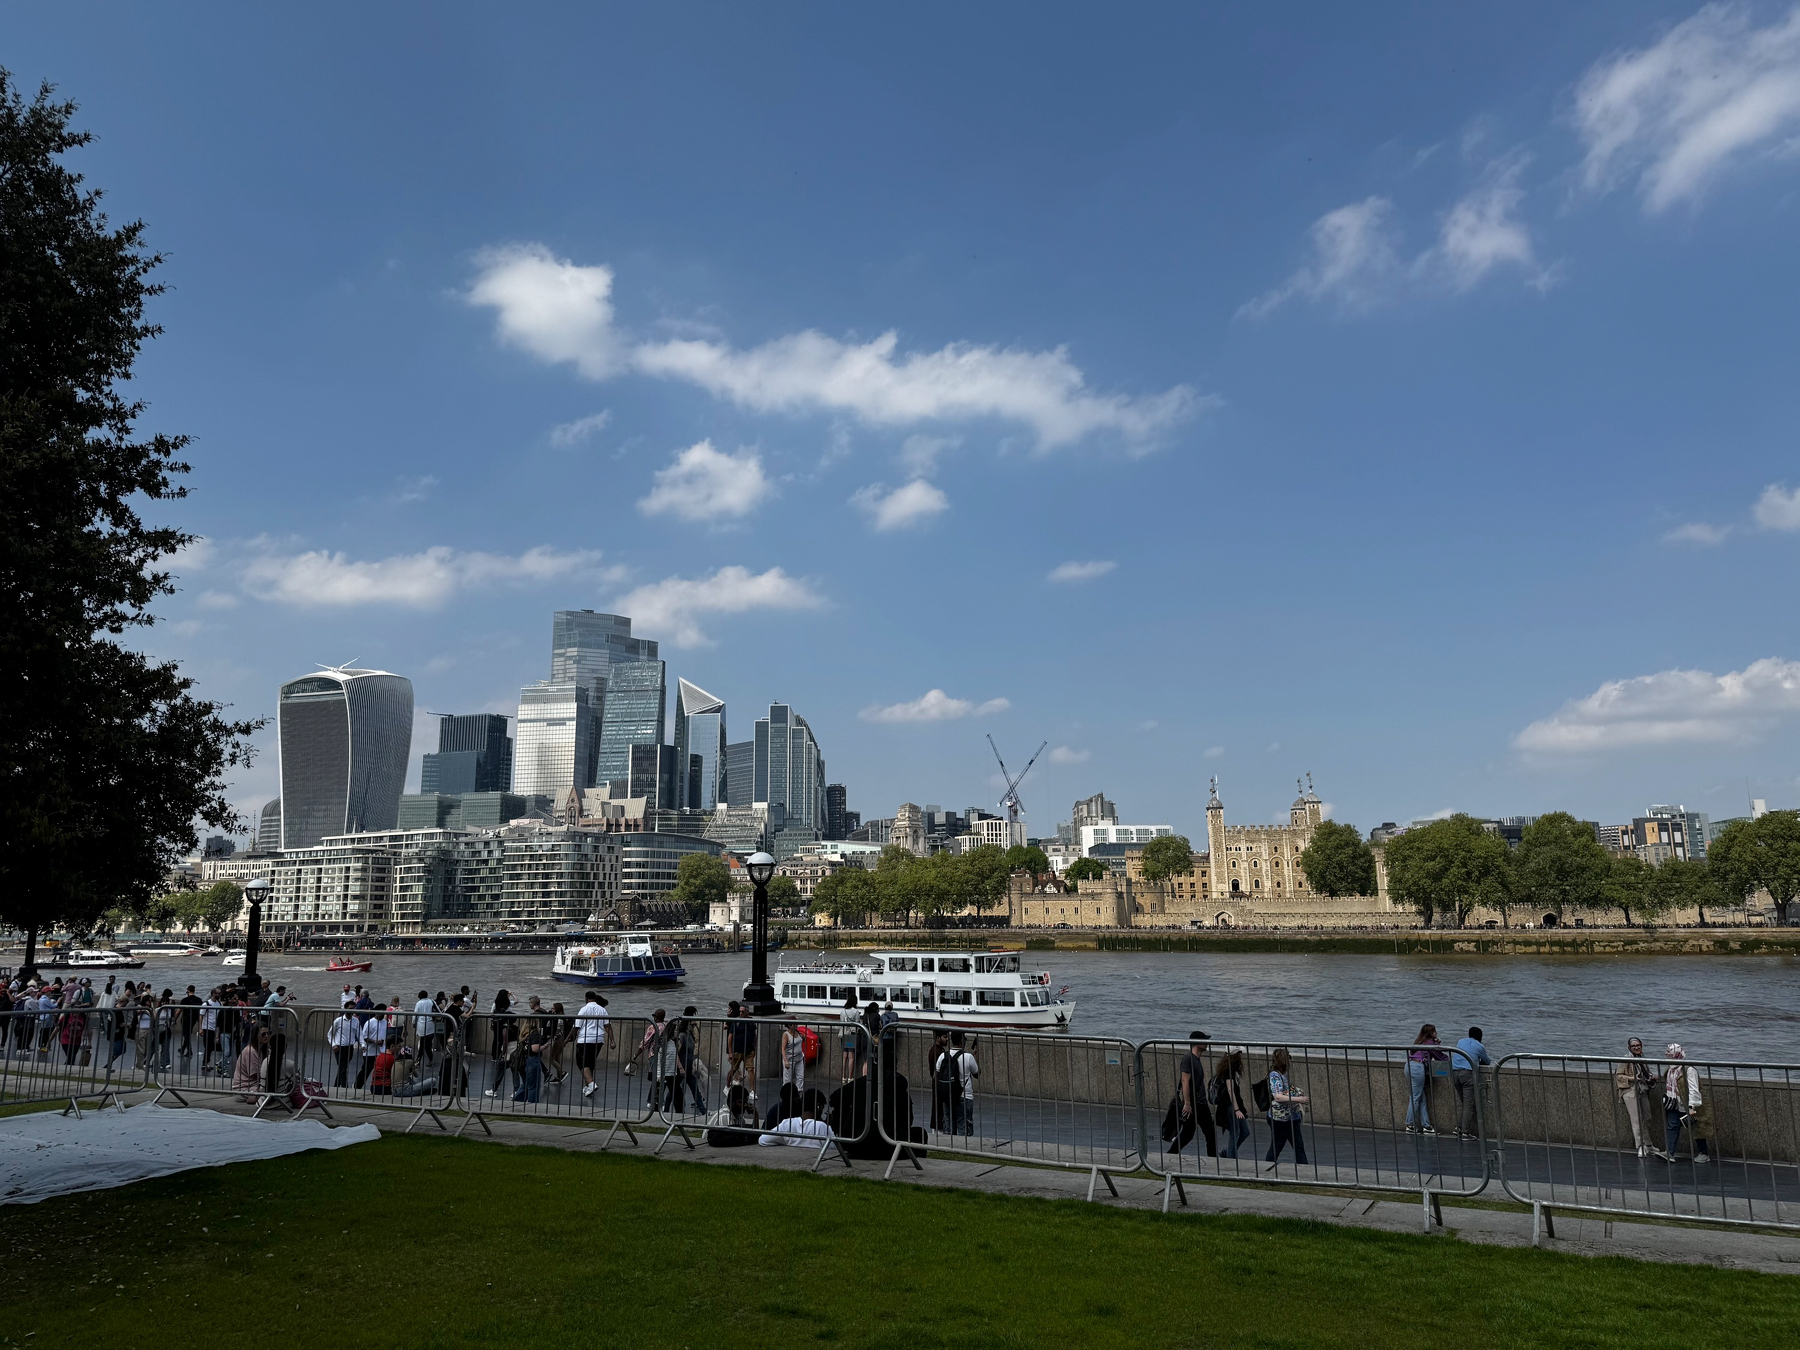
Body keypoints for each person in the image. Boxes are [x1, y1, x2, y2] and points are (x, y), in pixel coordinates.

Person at [1662, 1043, 1713, 1164]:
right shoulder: (1669, 1069)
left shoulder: (1688, 1069)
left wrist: (1692, 1107)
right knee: (1672, 1126)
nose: (1666, 1054)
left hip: (1688, 1104)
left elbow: (1694, 1089)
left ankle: (1704, 1153)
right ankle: (1669, 1153)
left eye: (1669, 1052)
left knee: (1696, 1127)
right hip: (1673, 1104)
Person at [1263, 1048, 1309, 1170]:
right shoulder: (1275, 1075)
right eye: (1289, 1058)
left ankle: (1305, 1172)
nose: (1291, 1062)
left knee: (1299, 1146)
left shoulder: (1283, 1076)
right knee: (1277, 1146)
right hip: (1280, 1119)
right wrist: (1300, 1100)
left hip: (1291, 1117)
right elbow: (1278, 1097)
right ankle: (1266, 1172)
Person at [1178, 1031, 1218, 1159]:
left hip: (1199, 1102)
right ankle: (1213, 1161)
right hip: (1196, 1103)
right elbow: (1185, 1081)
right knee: (1204, 1133)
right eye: (1204, 1040)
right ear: (1197, 1042)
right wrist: (1187, 1103)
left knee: (1190, 1134)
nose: (1207, 1043)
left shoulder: (1196, 1059)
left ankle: (1212, 1159)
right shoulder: (1188, 1058)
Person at [1615, 1037, 1656, 1157]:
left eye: (1638, 1045)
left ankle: (1648, 1145)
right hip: (1630, 1091)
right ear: (1629, 1048)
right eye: (1634, 1046)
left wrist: (1651, 1077)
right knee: (1636, 1120)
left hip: (1643, 1090)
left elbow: (1646, 1073)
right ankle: (1640, 1146)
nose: (1637, 1047)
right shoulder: (1626, 1059)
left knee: (1646, 1117)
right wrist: (1632, 1078)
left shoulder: (1642, 1058)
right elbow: (1618, 1076)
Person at [759, 1087, 833, 1148]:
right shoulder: (821, 1127)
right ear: (818, 1107)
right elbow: (835, 1149)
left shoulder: (787, 1124)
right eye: (822, 1108)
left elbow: (763, 1140)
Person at [1452, 1027, 1491, 1140]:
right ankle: (1465, 1132)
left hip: (1455, 1073)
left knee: (1465, 1103)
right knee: (1468, 1104)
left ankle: (1459, 1127)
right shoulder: (1480, 1046)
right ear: (1480, 1036)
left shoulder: (1461, 1041)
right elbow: (1487, 1061)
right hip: (1468, 1074)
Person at [1406, 1024, 1445, 1135]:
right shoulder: (1429, 1043)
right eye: (1434, 1031)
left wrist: (1436, 1045)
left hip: (1409, 1066)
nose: (1436, 1033)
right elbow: (1440, 1057)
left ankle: (1426, 1126)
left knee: (1421, 1098)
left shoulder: (1419, 1042)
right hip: (1418, 1068)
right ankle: (1409, 1124)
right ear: (1430, 1033)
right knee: (1415, 1097)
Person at [1213, 1047, 1251, 1159]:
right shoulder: (1229, 1068)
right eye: (1239, 1053)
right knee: (1235, 1133)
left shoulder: (1229, 1067)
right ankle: (1231, 1159)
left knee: (1245, 1131)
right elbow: (1230, 1090)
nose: (1241, 1056)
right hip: (1230, 1106)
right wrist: (1236, 1109)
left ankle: (1227, 1152)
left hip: (1235, 1105)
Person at [574, 991, 609, 1099]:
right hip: (598, 1040)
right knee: (590, 1063)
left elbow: (577, 1026)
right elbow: (607, 1025)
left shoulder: (584, 1009)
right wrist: (612, 1040)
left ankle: (591, 1083)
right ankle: (587, 1086)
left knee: (581, 1063)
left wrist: (568, 1039)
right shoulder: (602, 1010)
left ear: (586, 998)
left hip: (585, 1039)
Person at [675, 1005, 707, 1115]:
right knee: (675, 1090)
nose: (694, 1027)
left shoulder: (690, 1036)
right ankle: (665, 1109)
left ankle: (703, 1111)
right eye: (693, 1025)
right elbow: (676, 1053)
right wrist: (680, 1067)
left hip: (688, 1068)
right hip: (682, 1068)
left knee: (694, 1089)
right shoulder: (682, 1036)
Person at [707, 1082, 761, 1146]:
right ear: (731, 1102)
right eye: (741, 1102)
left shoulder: (739, 1117)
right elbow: (729, 1141)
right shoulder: (725, 1116)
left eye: (746, 1102)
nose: (745, 1105)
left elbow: (754, 1135)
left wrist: (756, 1115)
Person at [945, 1030, 978, 1136]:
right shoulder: (968, 1057)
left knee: (950, 1126)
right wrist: (975, 1057)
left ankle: (950, 1149)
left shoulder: (943, 1056)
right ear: (961, 1041)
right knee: (964, 1127)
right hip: (965, 1096)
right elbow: (977, 1073)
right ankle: (964, 1149)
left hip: (948, 1096)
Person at [511, 1018, 549, 1104]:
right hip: (532, 1061)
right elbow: (535, 1049)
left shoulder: (524, 1034)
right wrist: (545, 1046)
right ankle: (532, 1106)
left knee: (525, 1084)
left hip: (523, 1060)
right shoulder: (535, 1033)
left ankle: (516, 1102)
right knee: (533, 1086)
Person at [354, 1001, 386, 1089]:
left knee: (380, 1071)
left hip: (381, 1051)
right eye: (381, 1012)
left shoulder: (385, 1023)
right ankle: (357, 1086)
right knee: (366, 1071)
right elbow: (364, 1037)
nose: (383, 1015)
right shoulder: (370, 1022)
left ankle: (377, 1086)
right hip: (370, 1052)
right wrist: (375, 1041)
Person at [327, 1006, 359, 1088]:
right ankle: (345, 1087)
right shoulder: (338, 1021)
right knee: (342, 1067)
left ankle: (336, 1086)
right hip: (339, 1048)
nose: (352, 1011)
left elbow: (359, 1033)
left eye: (353, 1009)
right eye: (350, 1008)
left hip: (349, 1048)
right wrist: (334, 1045)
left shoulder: (355, 1021)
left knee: (343, 1067)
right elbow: (329, 1034)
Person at [233, 1028, 267, 1102]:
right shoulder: (250, 1051)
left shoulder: (262, 1050)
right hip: (244, 1087)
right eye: (263, 1034)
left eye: (269, 1033)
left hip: (254, 1085)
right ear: (256, 1036)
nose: (266, 1036)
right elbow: (257, 1074)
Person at [928, 1031, 953, 1130]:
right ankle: (939, 1127)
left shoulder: (938, 1050)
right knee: (939, 1108)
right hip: (939, 1083)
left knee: (938, 1108)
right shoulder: (937, 1052)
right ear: (938, 1038)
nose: (947, 1039)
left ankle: (938, 1126)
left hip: (938, 1082)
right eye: (945, 1037)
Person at [780, 1020, 807, 1097]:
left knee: (800, 1077)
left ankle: (799, 1093)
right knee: (787, 1080)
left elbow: (801, 1039)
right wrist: (785, 1061)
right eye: (793, 1024)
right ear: (789, 1025)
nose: (795, 1025)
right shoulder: (786, 1035)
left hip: (799, 1058)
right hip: (790, 1059)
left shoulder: (797, 1032)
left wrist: (803, 1037)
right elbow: (783, 1049)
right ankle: (786, 1095)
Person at [839, 992, 862, 1080]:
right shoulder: (855, 1011)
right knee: (851, 1056)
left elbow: (841, 1022)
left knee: (844, 1056)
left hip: (843, 1034)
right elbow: (857, 1023)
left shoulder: (843, 1011)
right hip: (851, 1035)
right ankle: (850, 1077)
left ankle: (843, 1076)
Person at [412, 990, 437, 1065]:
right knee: (426, 1044)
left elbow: (415, 1014)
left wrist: (413, 1023)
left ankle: (423, 1060)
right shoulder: (431, 1001)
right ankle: (420, 1059)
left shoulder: (419, 1003)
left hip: (422, 1026)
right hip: (431, 1025)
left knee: (425, 1045)